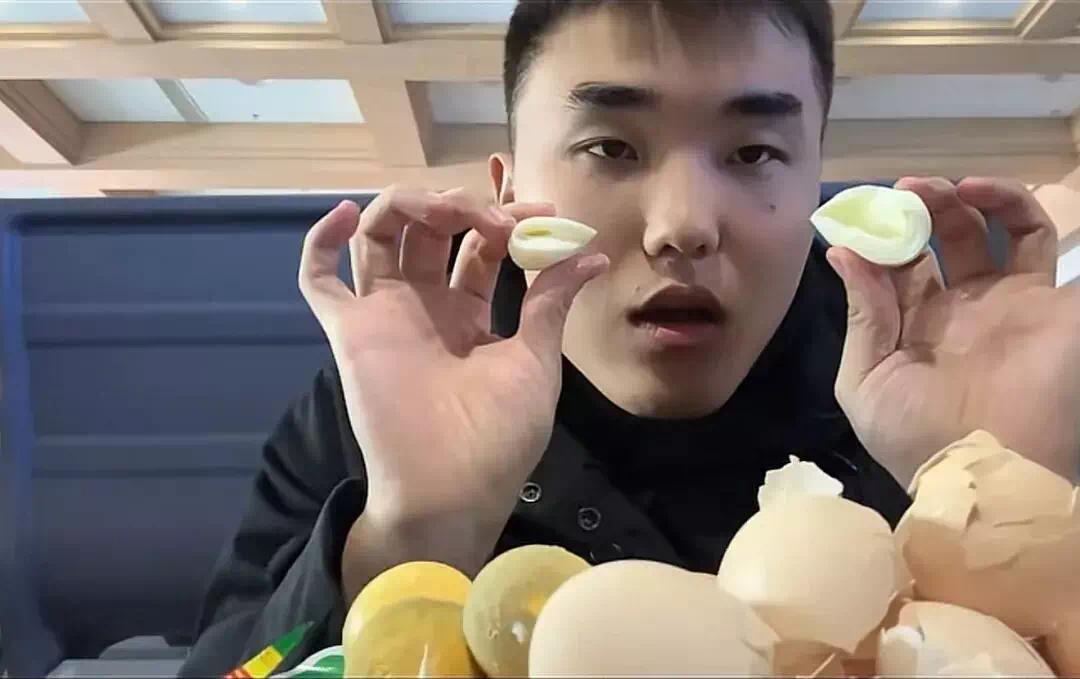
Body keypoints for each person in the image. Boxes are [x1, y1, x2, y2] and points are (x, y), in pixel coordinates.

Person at [180, 1, 1080, 675]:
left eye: (754, 153)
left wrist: (1004, 497)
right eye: (611, 147)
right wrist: (410, 535)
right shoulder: (384, 400)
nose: (683, 226)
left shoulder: (929, 385)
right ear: (509, 191)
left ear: (816, 179)